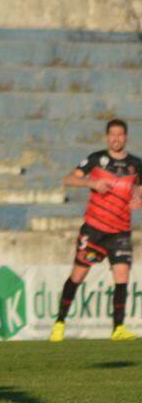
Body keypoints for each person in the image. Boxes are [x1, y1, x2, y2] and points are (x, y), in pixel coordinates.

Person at [50, 119, 141, 342]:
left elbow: (140, 191)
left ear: (126, 137)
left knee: (122, 277)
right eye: (112, 134)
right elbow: (68, 179)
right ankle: (59, 323)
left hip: (120, 232)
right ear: (107, 137)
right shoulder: (96, 159)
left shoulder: (136, 164)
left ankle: (118, 328)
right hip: (94, 230)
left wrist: (139, 198)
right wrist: (91, 183)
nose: (116, 138)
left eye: (120, 134)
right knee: (78, 276)